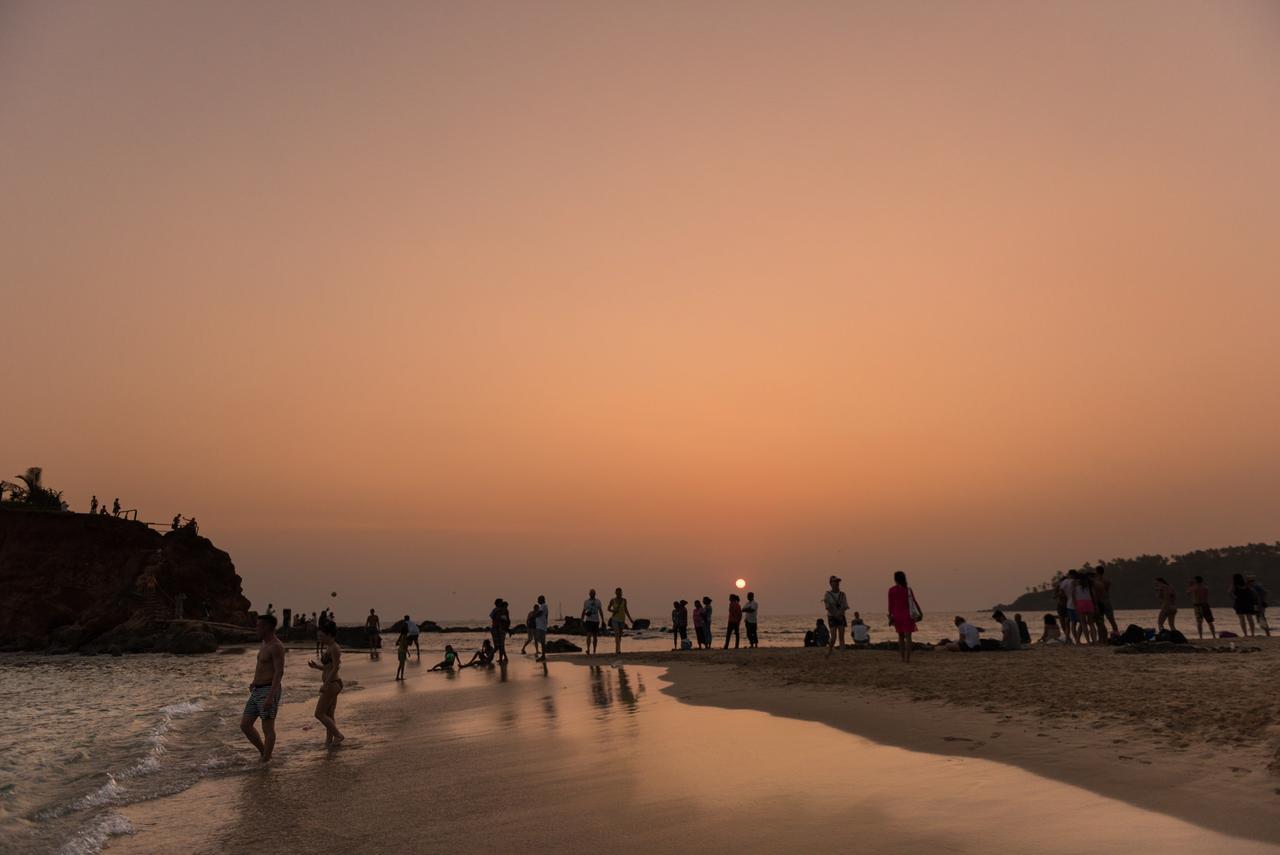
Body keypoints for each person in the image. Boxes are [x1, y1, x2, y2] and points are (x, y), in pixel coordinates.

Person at [240, 614, 285, 762]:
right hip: (257, 689)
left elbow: (279, 672)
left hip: (268, 689)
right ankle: (264, 752)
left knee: (267, 728)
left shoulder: (276, 646)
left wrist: (270, 697)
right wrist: (254, 681)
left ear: (267, 627)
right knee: (245, 725)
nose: (256, 628)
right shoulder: (264, 643)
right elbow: (261, 666)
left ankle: (266, 759)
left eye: (259, 626)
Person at [307, 621, 345, 746]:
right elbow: (328, 668)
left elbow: (335, 668)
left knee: (318, 713)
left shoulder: (335, 648)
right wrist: (316, 667)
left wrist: (326, 684)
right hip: (332, 683)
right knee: (329, 714)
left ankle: (338, 735)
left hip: (333, 684)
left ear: (330, 634)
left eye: (322, 636)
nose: (320, 639)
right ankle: (329, 741)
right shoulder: (329, 647)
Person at [886, 571, 920, 662]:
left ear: (895, 579)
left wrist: (890, 616)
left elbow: (890, 605)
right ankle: (908, 658)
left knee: (900, 637)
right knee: (908, 637)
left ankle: (902, 658)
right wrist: (920, 612)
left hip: (897, 616)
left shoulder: (891, 590)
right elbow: (914, 602)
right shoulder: (908, 590)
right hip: (908, 616)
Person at [823, 576, 849, 657]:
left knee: (842, 637)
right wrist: (835, 614)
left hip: (841, 616)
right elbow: (827, 607)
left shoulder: (842, 594)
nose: (837, 583)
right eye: (835, 582)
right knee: (833, 637)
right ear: (831, 583)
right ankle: (830, 650)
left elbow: (845, 606)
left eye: (838, 582)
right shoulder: (827, 594)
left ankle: (843, 655)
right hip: (832, 617)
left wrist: (840, 614)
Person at [1094, 566, 1119, 636]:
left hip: (1100, 602)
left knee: (1100, 621)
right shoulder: (1107, 580)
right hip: (1107, 600)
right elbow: (1107, 589)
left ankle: (1102, 637)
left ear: (1096, 571)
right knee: (1111, 619)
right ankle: (1116, 633)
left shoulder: (1095, 581)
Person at [1072, 572, 1096, 644]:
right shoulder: (1089, 587)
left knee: (1083, 624)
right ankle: (1094, 640)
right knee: (1091, 623)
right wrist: (1095, 605)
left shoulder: (1075, 588)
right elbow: (1094, 597)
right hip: (1089, 603)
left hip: (1080, 604)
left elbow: (1073, 598)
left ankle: (1088, 641)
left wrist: (1076, 606)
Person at [607, 588, 633, 655]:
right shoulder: (612, 600)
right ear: (615, 593)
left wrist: (630, 619)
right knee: (617, 633)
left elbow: (626, 610)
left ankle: (618, 648)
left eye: (620, 593)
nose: (619, 594)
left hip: (622, 619)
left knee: (620, 635)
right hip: (615, 619)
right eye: (618, 593)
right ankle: (618, 650)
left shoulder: (624, 600)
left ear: (621, 593)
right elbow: (608, 608)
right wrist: (613, 611)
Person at [582, 589, 604, 656]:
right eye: (591, 593)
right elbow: (584, 610)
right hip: (588, 620)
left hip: (596, 621)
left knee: (595, 636)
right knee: (588, 635)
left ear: (595, 594)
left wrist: (603, 620)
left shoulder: (598, 601)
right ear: (589, 594)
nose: (592, 594)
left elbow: (600, 611)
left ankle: (594, 650)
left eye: (593, 593)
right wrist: (582, 619)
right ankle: (588, 649)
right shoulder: (586, 602)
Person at [1056, 572, 1076, 645]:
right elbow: (1056, 595)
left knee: (1066, 622)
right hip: (1063, 605)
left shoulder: (1064, 587)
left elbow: (1055, 596)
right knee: (1065, 622)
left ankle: (1068, 638)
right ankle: (1068, 638)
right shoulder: (1060, 587)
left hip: (1065, 605)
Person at [489, 598, 510, 663]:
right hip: (498, 629)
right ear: (498, 603)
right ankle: (503, 658)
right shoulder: (498, 610)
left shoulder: (501, 610)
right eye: (501, 602)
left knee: (499, 645)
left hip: (499, 629)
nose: (502, 603)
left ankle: (499, 658)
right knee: (500, 645)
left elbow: (492, 616)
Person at [533, 595, 550, 661]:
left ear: (542, 600)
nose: (537, 601)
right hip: (540, 625)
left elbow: (540, 613)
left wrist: (533, 615)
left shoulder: (544, 606)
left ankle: (543, 656)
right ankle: (543, 655)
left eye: (538, 600)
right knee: (540, 640)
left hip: (541, 626)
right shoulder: (542, 606)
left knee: (542, 641)